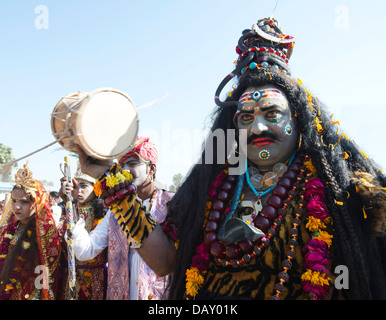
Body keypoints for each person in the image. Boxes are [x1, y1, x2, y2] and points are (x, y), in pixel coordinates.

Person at [78, 18, 386, 300]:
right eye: (246, 116)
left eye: (272, 113)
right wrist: (110, 178)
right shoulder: (211, 189)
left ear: (300, 121)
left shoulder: (339, 194)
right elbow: (164, 262)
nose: (258, 126)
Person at [73, 137, 174, 300]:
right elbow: (87, 250)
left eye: (133, 163)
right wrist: (73, 221)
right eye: (121, 165)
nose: (125, 170)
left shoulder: (172, 204)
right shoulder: (115, 211)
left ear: (151, 169)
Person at [0, 163, 61, 300]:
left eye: (24, 202)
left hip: (31, 294)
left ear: (37, 202)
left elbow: (48, 273)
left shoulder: (46, 233)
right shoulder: (7, 229)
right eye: (14, 201)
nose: (16, 206)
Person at [58, 164, 108, 300]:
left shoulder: (105, 213)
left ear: (96, 188)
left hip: (96, 277)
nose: (78, 190)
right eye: (75, 186)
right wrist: (68, 202)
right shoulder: (71, 209)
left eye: (84, 185)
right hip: (71, 277)